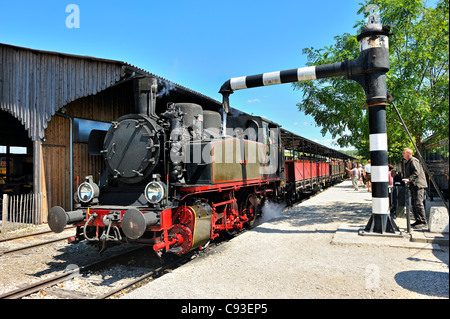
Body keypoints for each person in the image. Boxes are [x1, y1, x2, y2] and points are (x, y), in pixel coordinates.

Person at [402, 147, 428, 229]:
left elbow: (417, 172)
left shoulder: (413, 160)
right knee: (414, 203)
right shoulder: (408, 161)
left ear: (409, 154)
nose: (403, 154)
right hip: (414, 185)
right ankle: (418, 220)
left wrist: (409, 179)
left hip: (418, 185)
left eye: (404, 152)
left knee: (418, 203)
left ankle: (423, 221)